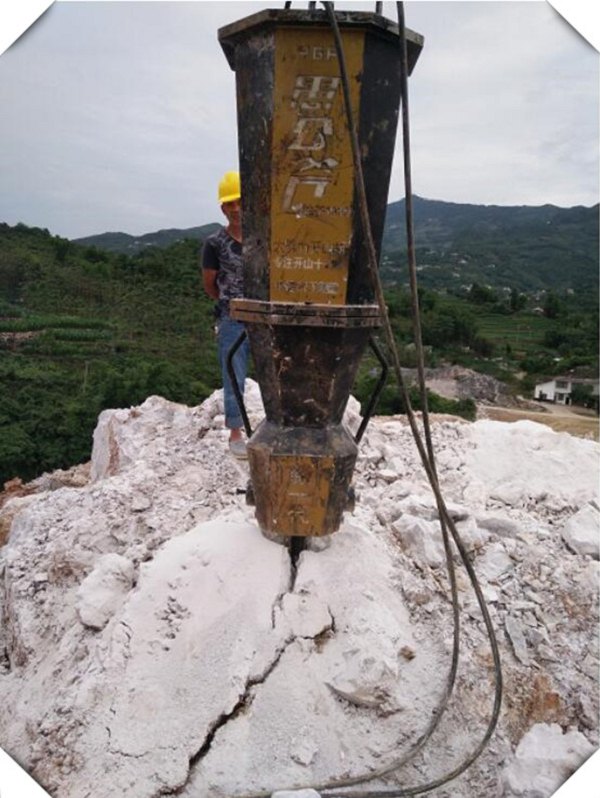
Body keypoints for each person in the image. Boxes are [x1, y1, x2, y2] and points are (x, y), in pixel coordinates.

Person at [201, 170, 250, 459]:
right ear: (223, 208)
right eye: (230, 203)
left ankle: (275, 425)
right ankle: (235, 432)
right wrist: (228, 304)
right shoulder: (215, 243)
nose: (235, 208)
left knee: (275, 371)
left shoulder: (263, 239)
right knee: (234, 373)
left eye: (240, 202)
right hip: (232, 316)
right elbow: (210, 284)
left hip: (264, 315)